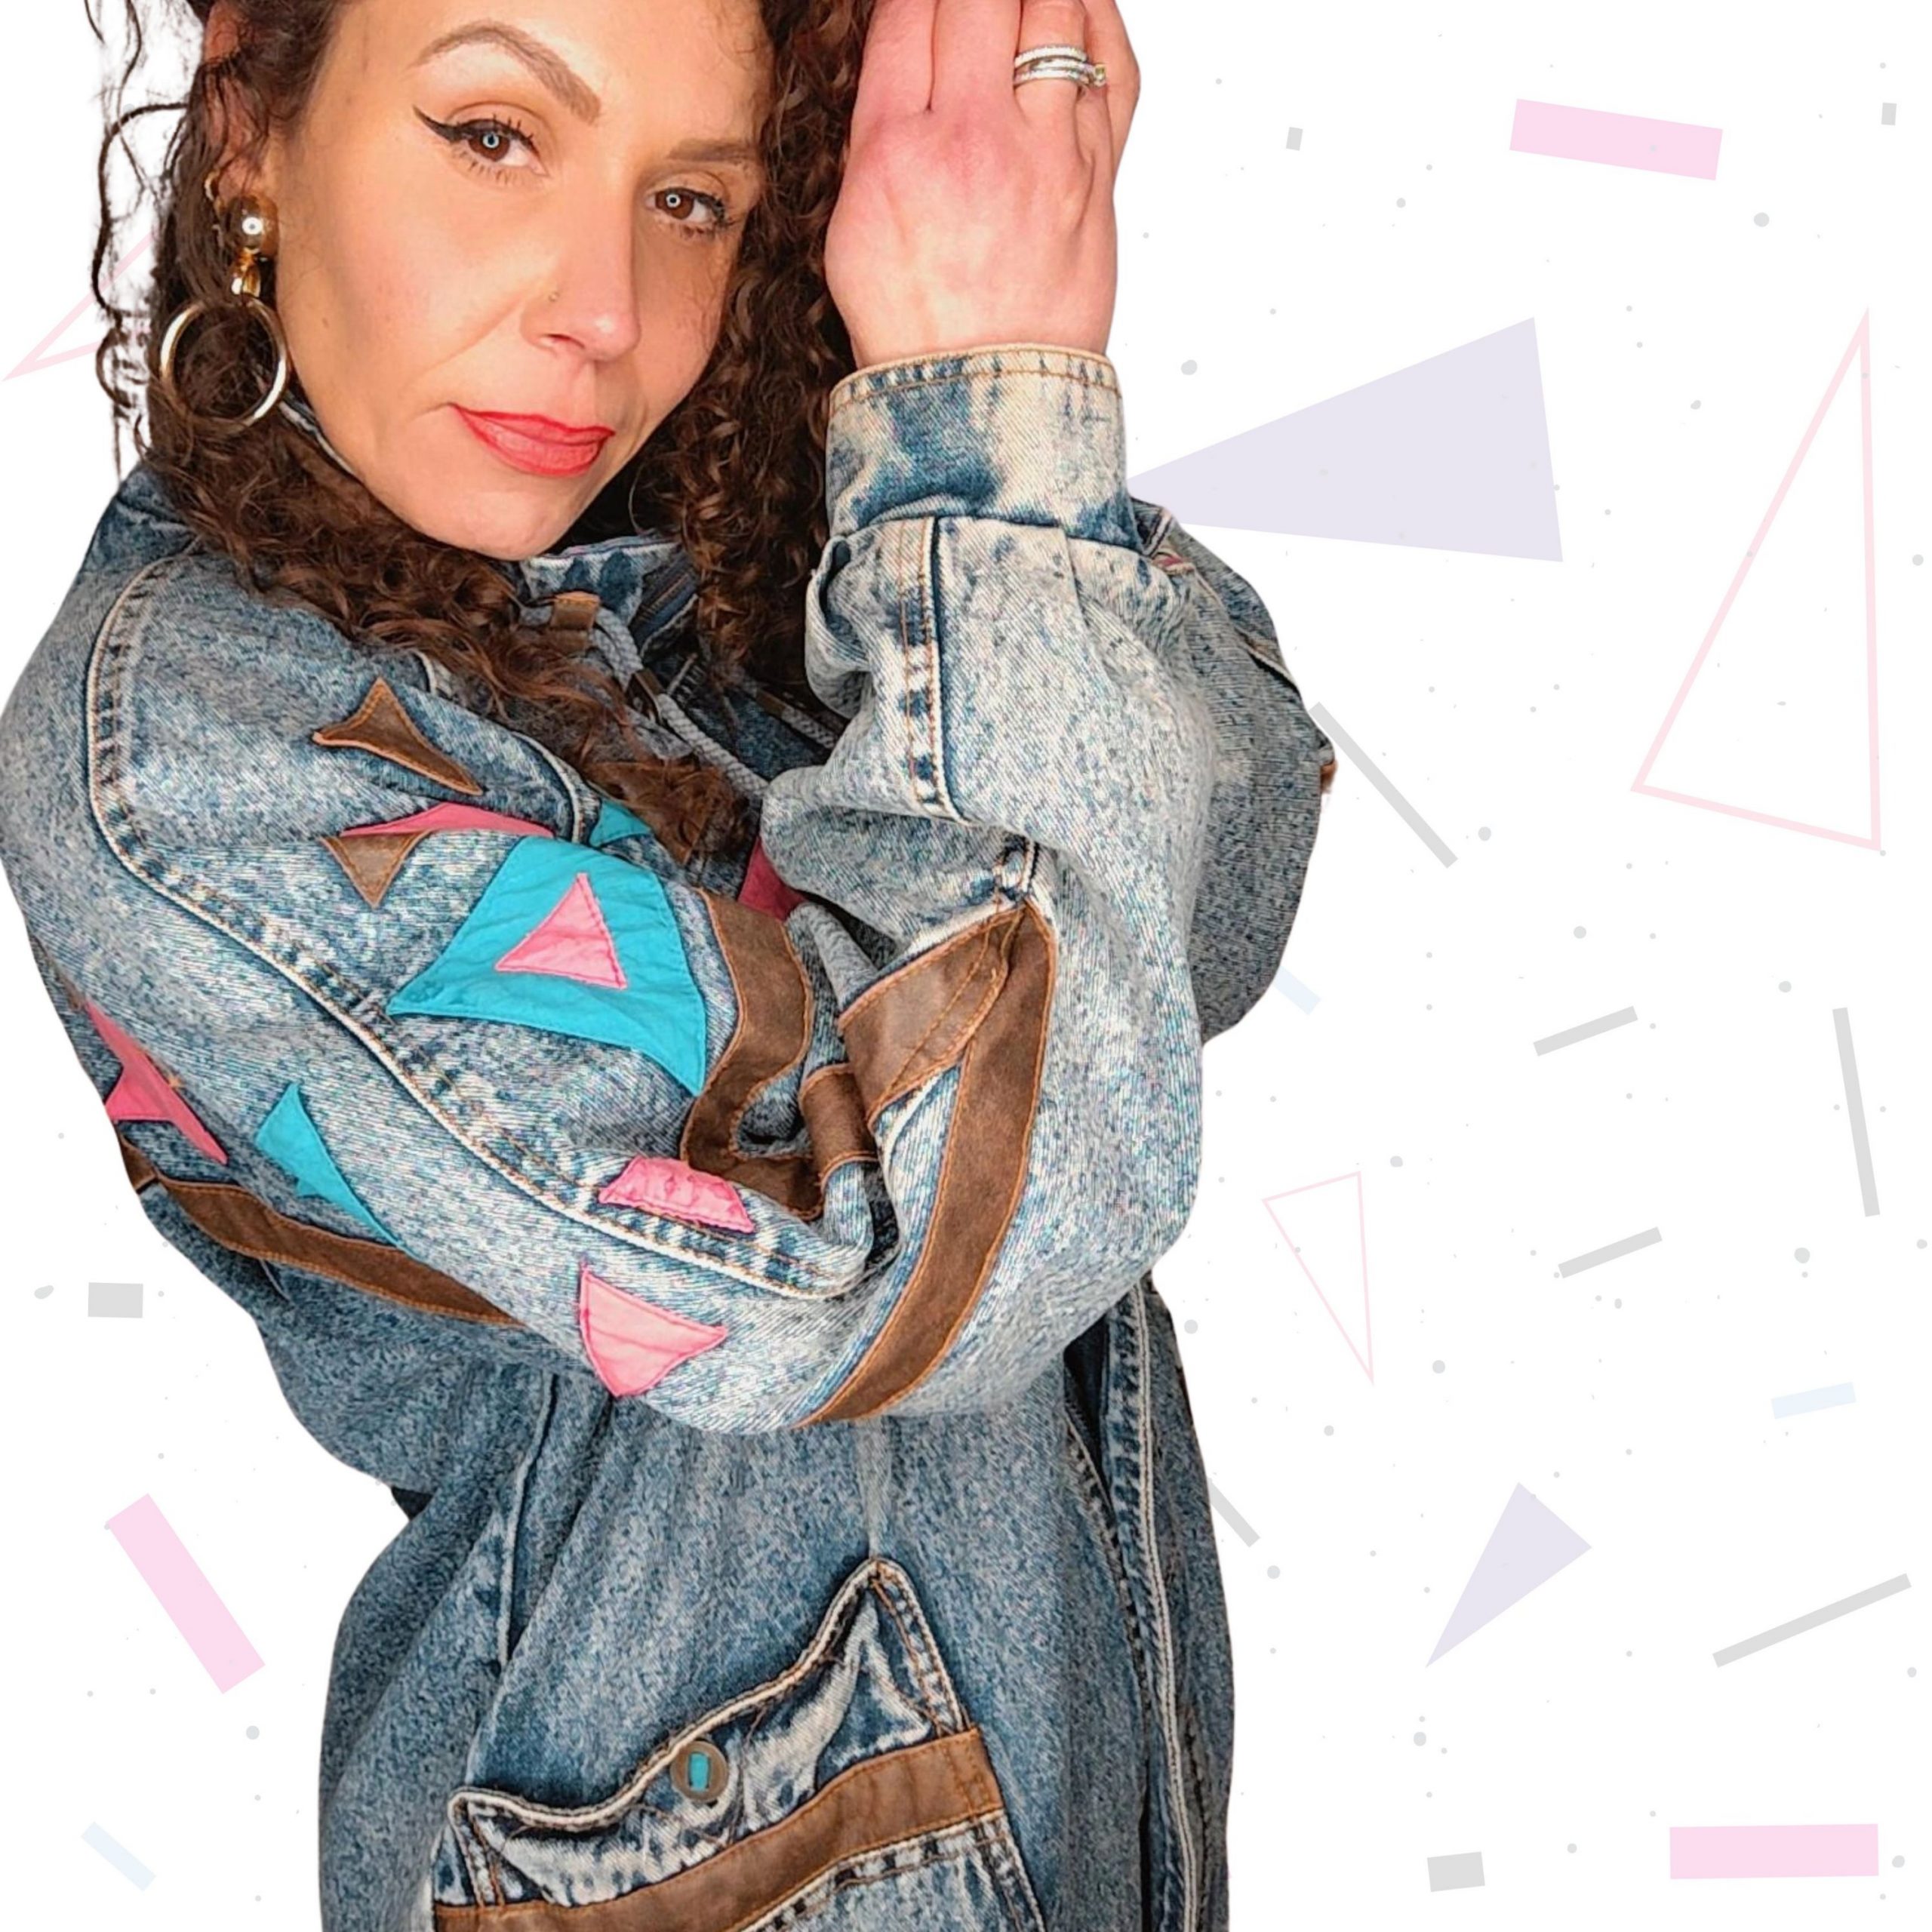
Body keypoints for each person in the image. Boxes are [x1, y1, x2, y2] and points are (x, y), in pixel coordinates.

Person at [0, 0, 1334, 1926]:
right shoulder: (188, 752)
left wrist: (957, 418)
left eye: (691, 198)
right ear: (247, 128)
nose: (603, 310)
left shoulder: (687, 571)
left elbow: (1211, 904)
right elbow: (892, 1251)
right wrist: (989, 441)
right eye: (491, 137)